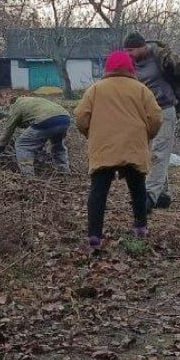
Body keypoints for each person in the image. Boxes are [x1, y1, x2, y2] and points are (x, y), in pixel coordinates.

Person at [74, 51, 163, 252]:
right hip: (133, 146)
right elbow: (156, 117)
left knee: (98, 191)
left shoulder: (95, 90)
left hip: (104, 147)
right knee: (138, 188)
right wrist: (147, 134)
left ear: (107, 68)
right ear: (131, 68)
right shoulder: (141, 90)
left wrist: (90, 133)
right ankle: (140, 227)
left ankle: (94, 236)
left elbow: (80, 116)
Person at [123, 32, 180, 212]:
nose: (128, 53)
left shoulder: (160, 56)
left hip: (165, 109)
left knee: (159, 153)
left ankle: (149, 196)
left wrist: (178, 91)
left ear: (142, 46)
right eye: (126, 50)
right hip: (145, 113)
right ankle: (163, 195)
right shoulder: (131, 63)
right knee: (151, 153)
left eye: (131, 49)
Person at [0, 95, 72, 176]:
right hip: (65, 118)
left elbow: (8, 132)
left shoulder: (16, 107)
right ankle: (64, 171)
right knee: (58, 145)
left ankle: (28, 176)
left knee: (22, 144)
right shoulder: (29, 100)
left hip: (46, 120)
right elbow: (31, 120)